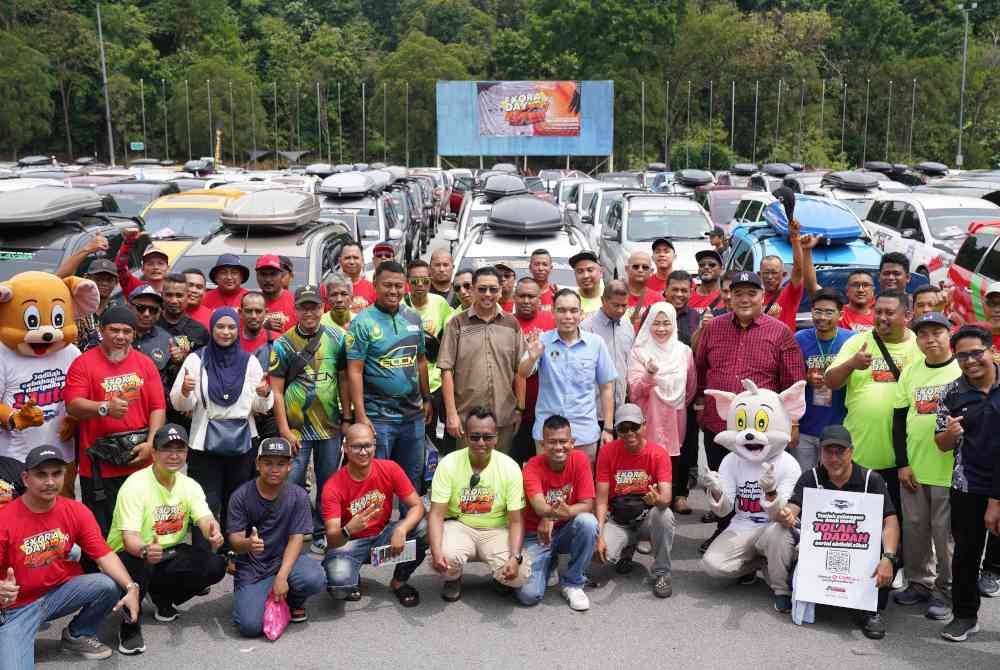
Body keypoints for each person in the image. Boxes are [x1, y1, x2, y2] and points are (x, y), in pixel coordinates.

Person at [0, 446, 141, 667]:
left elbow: (103, 554)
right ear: (26, 478)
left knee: (107, 584)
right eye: (41, 474)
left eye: (56, 473)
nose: (50, 482)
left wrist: (131, 587)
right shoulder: (4, 519)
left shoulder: (76, 510)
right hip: (15, 608)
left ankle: (77, 635)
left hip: (56, 594)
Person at [694, 271, 804, 550]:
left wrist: (792, 424)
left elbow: (792, 379)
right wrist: (699, 405)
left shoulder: (779, 332)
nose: (744, 299)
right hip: (721, 425)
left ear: (762, 297)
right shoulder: (714, 328)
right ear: (729, 296)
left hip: (763, 433)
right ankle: (724, 534)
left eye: (751, 293)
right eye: (738, 293)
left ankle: (763, 543)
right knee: (722, 480)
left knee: (759, 486)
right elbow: (701, 368)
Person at [107, 424, 227, 653]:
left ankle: (162, 598)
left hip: (167, 551)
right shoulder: (135, 485)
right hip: (128, 554)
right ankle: (129, 625)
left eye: (180, 449)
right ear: (154, 453)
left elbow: (204, 517)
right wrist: (144, 550)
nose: (174, 455)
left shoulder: (189, 485)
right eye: (166, 449)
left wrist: (213, 530)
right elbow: (129, 537)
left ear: (186, 454)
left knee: (215, 565)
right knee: (141, 563)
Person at [774, 425, 901, 640]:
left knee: (893, 550)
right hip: (825, 546)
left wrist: (888, 557)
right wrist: (783, 513)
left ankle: (870, 610)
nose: (833, 459)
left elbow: (890, 521)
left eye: (839, 452)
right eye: (828, 452)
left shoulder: (872, 480)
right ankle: (812, 593)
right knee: (779, 531)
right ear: (820, 452)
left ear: (851, 451)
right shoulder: (810, 478)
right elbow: (791, 509)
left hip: (857, 546)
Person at [170, 308, 273, 549]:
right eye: (220, 327)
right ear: (212, 328)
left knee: (237, 500)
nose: (226, 332)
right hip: (204, 442)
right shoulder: (197, 359)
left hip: (243, 441)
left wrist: (264, 394)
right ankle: (204, 555)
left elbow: (261, 406)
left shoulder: (249, 361)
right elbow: (180, 403)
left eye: (231, 327)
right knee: (204, 501)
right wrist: (185, 390)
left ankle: (233, 551)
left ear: (238, 330)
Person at [64, 307, 166, 535]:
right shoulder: (83, 363)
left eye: (127, 331)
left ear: (134, 334)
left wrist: (151, 444)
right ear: (102, 331)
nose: (121, 336)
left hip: (140, 460)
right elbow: (72, 404)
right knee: (102, 532)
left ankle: (137, 572)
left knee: (141, 527)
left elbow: (158, 408)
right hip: (99, 467)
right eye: (114, 330)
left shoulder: (145, 363)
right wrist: (104, 407)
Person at [825, 291, 921, 529]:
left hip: (906, 458)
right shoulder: (858, 342)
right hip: (861, 453)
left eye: (889, 312)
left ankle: (894, 562)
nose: (882, 317)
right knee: (857, 522)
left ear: (907, 315)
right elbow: (831, 381)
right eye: (878, 311)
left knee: (899, 520)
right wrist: (852, 364)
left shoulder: (919, 346)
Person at [270, 285, 350, 554]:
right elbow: (277, 392)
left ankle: (321, 530)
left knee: (328, 482)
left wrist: (347, 417)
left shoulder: (337, 338)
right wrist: (283, 429)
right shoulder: (282, 344)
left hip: (330, 426)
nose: (309, 312)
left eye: (314, 306)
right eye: (303, 306)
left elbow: (342, 379)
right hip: (296, 430)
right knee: (291, 481)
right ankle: (289, 531)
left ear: (323, 307)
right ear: (295, 309)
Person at [890, 312, 960, 620]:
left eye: (937, 333)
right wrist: (902, 464)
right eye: (923, 334)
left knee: (945, 537)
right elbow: (897, 419)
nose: (930, 339)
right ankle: (919, 583)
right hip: (915, 469)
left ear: (949, 334)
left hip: (950, 472)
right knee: (915, 530)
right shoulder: (911, 371)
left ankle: (946, 591)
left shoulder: (962, 370)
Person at [934, 325, 1000, 641]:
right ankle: (964, 616)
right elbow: (941, 443)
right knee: (966, 553)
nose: (971, 361)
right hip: (967, 484)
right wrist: (949, 435)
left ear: (991, 350)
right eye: (962, 356)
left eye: (977, 353)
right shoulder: (951, 392)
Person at [427, 407, 531, 602]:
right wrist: (436, 550)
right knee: (444, 556)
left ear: (497, 437)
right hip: (459, 525)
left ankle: (502, 577)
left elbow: (516, 521)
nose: (481, 443)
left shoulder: (510, 467)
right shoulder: (449, 463)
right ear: (465, 436)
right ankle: (453, 578)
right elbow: (436, 515)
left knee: (520, 576)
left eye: (487, 437)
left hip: (496, 529)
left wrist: (515, 557)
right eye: (475, 437)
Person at [227, 437, 326, 636]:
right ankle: (253, 595)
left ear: (290, 466)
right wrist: (248, 544)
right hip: (253, 567)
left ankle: (293, 600)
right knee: (250, 627)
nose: (274, 469)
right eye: (268, 463)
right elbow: (235, 541)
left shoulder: (298, 496)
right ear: (257, 464)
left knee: (314, 577)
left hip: (285, 561)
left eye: (281, 464)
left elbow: (296, 538)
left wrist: (282, 577)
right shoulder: (241, 495)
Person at [347, 261, 432, 491]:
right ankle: (377, 526)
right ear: (375, 284)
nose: (393, 291)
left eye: (398, 285)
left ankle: (410, 526)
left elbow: (421, 361)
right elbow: (354, 371)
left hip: (413, 416)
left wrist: (427, 399)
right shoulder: (362, 322)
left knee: (412, 478)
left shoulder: (413, 319)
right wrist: (361, 416)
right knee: (377, 479)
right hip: (378, 419)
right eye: (387, 285)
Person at [321, 424, 427, 606]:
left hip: (381, 539)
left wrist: (401, 529)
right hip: (349, 544)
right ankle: (352, 576)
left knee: (425, 527)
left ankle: (399, 581)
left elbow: (417, 505)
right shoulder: (333, 486)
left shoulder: (390, 468)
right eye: (356, 447)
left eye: (367, 446)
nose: (363, 452)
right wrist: (348, 530)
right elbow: (332, 540)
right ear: (345, 448)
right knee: (340, 588)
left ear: (375, 445)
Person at [519, 289, 616, 463]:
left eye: (573, 310)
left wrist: (608, 428)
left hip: (584, 433)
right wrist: (533, 356)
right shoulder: (541, 340)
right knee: (547, 484)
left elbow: (606, 387)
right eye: (562, 310)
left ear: (581, 313)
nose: (568, 316)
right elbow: (523, 373)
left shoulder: (596, 344)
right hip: (546, 434)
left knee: (583, 484)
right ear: (553, 312)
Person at [439, 267, 526, 454]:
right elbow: (446, 371)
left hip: (503, 419)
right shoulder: (457, 324)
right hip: (466, 421)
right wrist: (451, 414)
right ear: (472, 290)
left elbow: (520, 370)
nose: (488, 294)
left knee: (500, 474)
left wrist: (519, 409)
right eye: (482, 289)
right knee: (467, 477)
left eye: (493, 289)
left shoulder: (512, 324)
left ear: (501, 291)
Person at [516, 415, 598, 610]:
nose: (558, 447)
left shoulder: (580, 460)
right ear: (543, 444)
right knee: (529, 596)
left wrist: (563, 512)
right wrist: (548, 515)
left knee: (588, 522)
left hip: (565, 531)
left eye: (563, 441)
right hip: (536, 535)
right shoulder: (532, 467)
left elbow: (587, 505)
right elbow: (538, 505)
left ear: (572, 442)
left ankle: (573, 582)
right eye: (552, 442)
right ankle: (549, 562)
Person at [594, 404, 675, 598]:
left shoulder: (658, 453)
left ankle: (662, 573)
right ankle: (626, 549)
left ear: (644, 426)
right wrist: (599, 535)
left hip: (646, 517)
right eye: (623, 428)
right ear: (617, 431)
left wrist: (658, 501)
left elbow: (666, 497)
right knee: (600, 557)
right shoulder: (607, 452)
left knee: (664, 515)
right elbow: (601, 499)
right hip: (619, 520)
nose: (629, 433)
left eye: (634, 426)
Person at [628, 303, 696, 513]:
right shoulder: (639, 352)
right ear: (648, 324)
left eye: (667, 323)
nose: (661, 328)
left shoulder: (684, 351)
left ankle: (669, 500)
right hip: (649, 415)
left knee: (672, 460)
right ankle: (644, 505)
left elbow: (691, 386)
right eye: (656, 323)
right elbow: (634, 390)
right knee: (647, 458)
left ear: (674, 324)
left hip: (675, 416)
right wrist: (649, 375)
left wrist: (676, 405)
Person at [793, 288, 853, 470]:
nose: (822, 317)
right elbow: (790, 379)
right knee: (804, 481)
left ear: (840, 314)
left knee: (835, 481)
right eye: (818, 311)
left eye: (829, 312)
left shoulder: (851, 340)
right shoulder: (799, 339)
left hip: (840, 426)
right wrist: (805, 377)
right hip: (806, 426)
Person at [403, 260, 454, 456]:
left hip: (436, 382)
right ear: (408, 282)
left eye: (425, 281)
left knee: (435, 436)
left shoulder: (439, 303)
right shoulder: (400, 306)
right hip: (410, 384)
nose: (420, 285)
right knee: (415, 438)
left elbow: (450, 334)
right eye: (415, 281)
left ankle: (433, 477)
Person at [510, 278, 556, 465]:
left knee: (542, 465)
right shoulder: (507, 322)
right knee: (514, 463)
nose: (526, 301)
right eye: (522, 296)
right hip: (515, 410)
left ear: (540, 299)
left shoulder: (552, 322)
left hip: (546, 409)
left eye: (531, 296)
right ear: (514, 297)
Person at [581, 280, 634, 419]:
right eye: (615, 305)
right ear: (603, 300)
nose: (620, 310)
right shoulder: (586, 327)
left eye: (624, 306)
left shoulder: (627, 325)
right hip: (593, 412)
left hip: (621, 412)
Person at [128, 284, 174, 392]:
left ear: (159, 313)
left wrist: (178, 361)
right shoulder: (116, 335)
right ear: (129, 306)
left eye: (153, 310)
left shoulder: (167, 341)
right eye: (141, 308)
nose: (147, 314)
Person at [74, 258, 125, 352]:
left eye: (109, 280)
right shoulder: (77, 309)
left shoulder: (117, 313)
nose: (104, 283)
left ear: (116, 282)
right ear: (86, 278)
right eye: (98, 279)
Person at [157, 273, 209, 357]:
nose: (174, 300)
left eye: (179, 295)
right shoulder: (151, 325)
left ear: (188, 297)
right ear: (162, 295)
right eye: (169, 295)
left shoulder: (199, 331)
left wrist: (186, 357)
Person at [114, 228, 168, 296]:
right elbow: (120, 268)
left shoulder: (177, 289)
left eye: (160, 263)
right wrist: (128, 242)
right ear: (142, 269)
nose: (155, 267)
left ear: (168, 268)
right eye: (150, 264)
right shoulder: (135, 287)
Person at [255, 254, 297, 334]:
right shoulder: (250, 303)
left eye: (273, 274)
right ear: (257, 276)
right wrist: (262, 327)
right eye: (263, 274)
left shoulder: (296, 302)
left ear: (281, 276)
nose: (268, 279)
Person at [665, 270, 702, 347]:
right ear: (666, 290)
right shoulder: (653, 313)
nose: (679, 294)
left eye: (684, 291)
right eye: (675, 290)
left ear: (691, 293)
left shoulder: (696, 317)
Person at [623, 250, 660, 326]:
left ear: (651, 271)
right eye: (636, 267)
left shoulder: (658, 299)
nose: (640, 270)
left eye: (645, 267)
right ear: (626, 269)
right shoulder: (616, 295)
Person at [338, 242, 376, 313]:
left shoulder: (373, 289)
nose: (352, 262)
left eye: (355, 258)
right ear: (340, 261)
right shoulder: (327, 289)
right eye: (347, 258)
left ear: (362, 261)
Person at [569, 250, 604, 316]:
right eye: (580, 271)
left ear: (601, 272)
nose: (585, 276)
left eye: (590, 270)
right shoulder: (569, 300)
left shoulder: (612, 296)